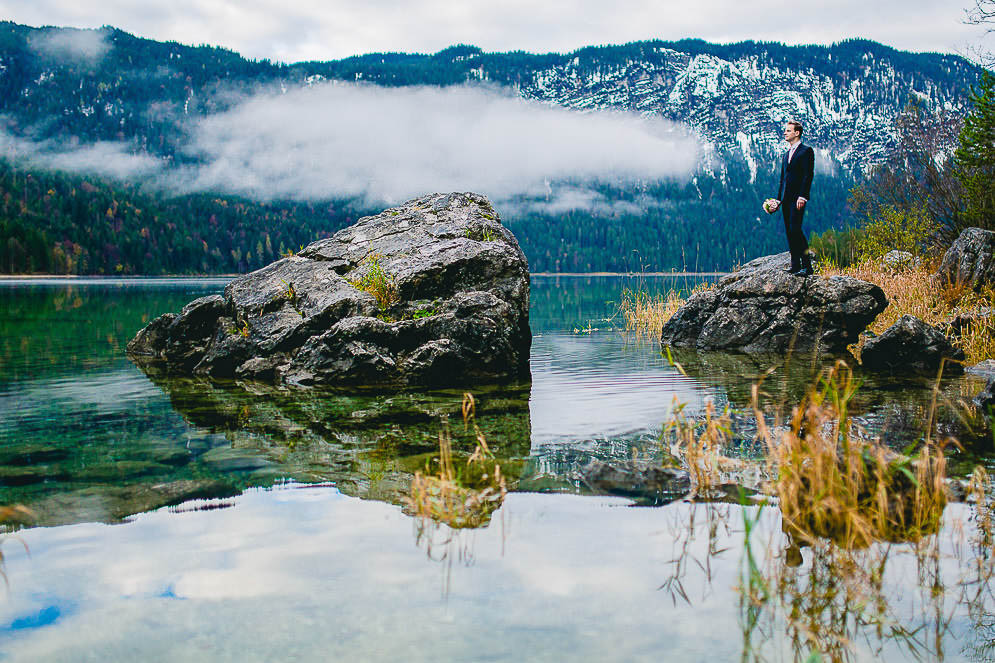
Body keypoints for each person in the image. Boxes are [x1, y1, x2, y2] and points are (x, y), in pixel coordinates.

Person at [769, 120, 815, 276]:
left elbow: (808, 175)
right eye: (785, 130)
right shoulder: (786, 155)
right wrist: (777, 200)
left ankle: (807, 266)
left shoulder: (806, 151)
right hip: (786, 199)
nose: (785, 133)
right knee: (789, 231)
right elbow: (783, 180)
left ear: (797, 133)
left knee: (796, 229)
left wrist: (803, 196)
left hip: (798, 198)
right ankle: (795, 265)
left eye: (788, 130)